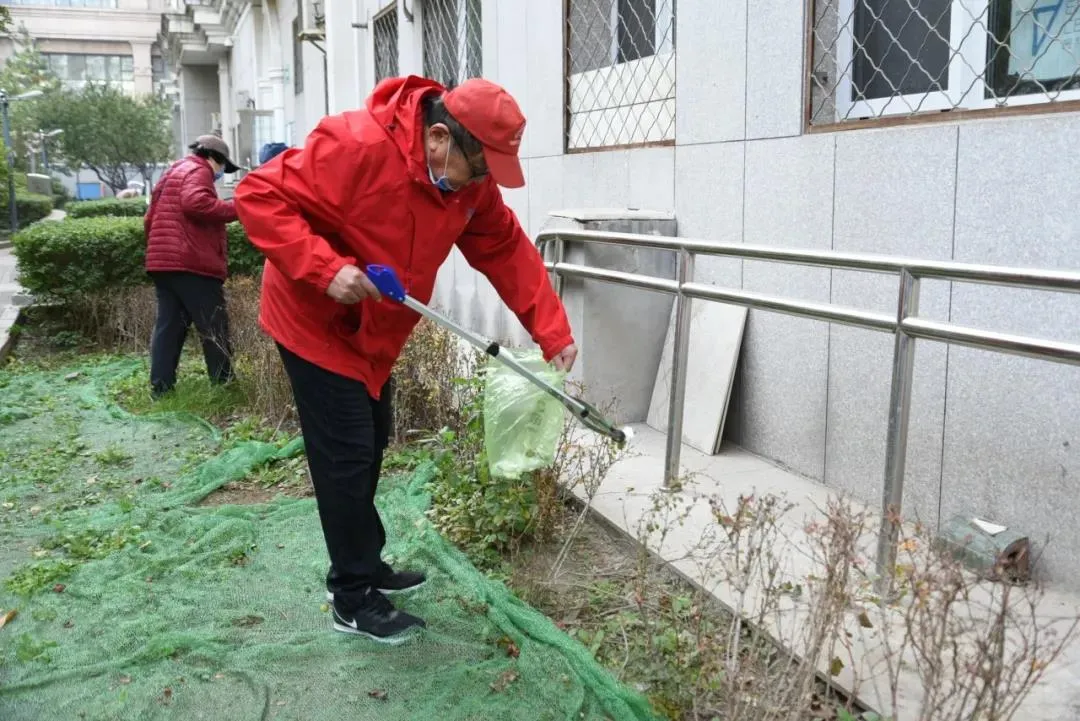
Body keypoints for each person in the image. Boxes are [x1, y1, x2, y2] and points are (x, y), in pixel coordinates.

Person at [233, 75, 578, 645]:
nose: (485, 182)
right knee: (345, 454)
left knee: (372, 437)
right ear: (439, 138)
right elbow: (258, 196)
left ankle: (364, 564)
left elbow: (504, 250)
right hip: (313, 319)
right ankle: (351, 596)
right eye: (482, 166)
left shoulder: (465, 187)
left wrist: (552, 331)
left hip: (373, 334)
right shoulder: (356, 147)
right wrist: (326, 268)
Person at [144, 134, 241, 399]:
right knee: (213, 325)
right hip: (192, 263)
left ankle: (161, 389)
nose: (221, 173)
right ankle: (224, 385)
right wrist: (237, 208)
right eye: (223, 167)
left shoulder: (173, 171)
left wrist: (161, 253)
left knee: (169, 327)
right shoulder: (199, 171)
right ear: (215, 158)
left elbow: (149, 218)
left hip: (163, 263)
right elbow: (195, 203)